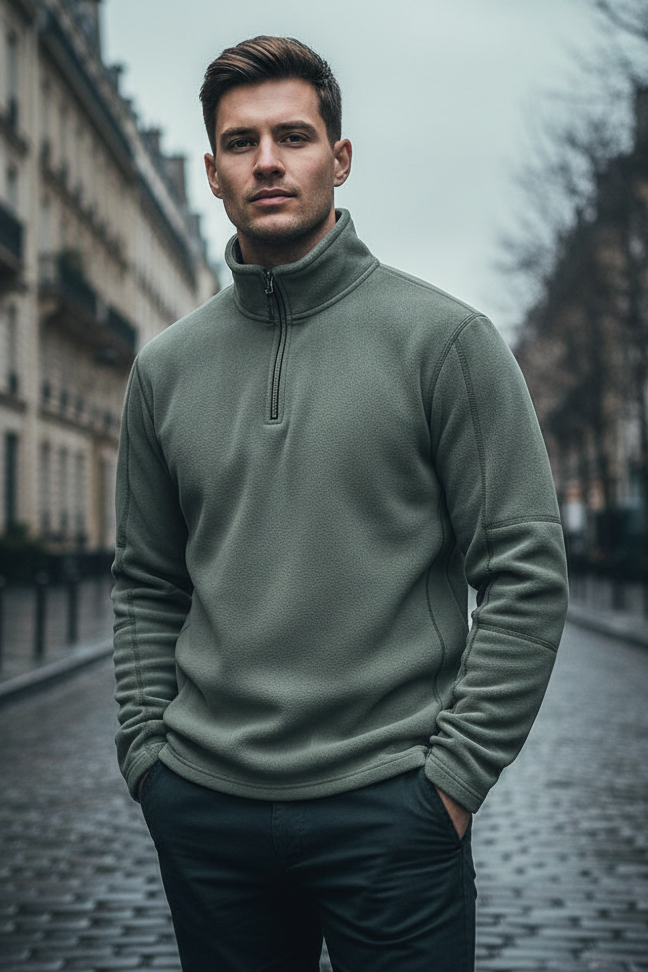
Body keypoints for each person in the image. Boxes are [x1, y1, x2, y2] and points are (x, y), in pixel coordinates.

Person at [112, 35, 568, 972]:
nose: (268, 162)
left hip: (391, 809)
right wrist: (149, 761)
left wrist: (455, 778)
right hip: (206, 810)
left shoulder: (446, 342)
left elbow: (525, 570)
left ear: (340, 157)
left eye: (293, 136)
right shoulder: (163, 370)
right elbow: (148, 582)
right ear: (211, 171)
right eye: (241, 144)